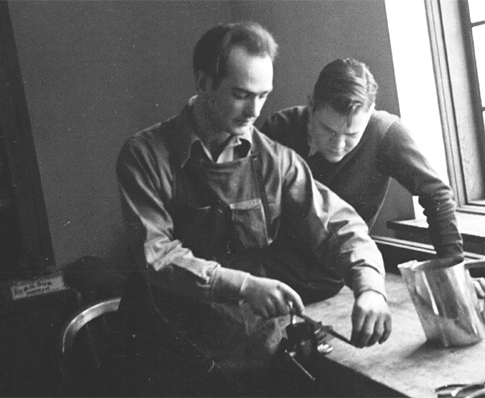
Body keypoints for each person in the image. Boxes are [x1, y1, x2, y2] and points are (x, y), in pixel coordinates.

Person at [115, 23, 391, 397]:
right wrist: (243, 286)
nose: (255, 110)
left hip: (248, 352)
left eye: (263, 95)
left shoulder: (274, 159)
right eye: (241, 94)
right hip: (167, 355)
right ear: (203, 82)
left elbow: (338, 225)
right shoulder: (144, 155)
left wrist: (370, 287)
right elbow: (156, 254)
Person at [260, 58, 464, 299]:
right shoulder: (278, 128)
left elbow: (436, 194)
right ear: (311, 105)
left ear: (370, 113)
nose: (337, 145)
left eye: (351, 134)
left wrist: (454, 270)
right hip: (266, 274)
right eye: (328, 130)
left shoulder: (386, 133)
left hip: (332, 277)